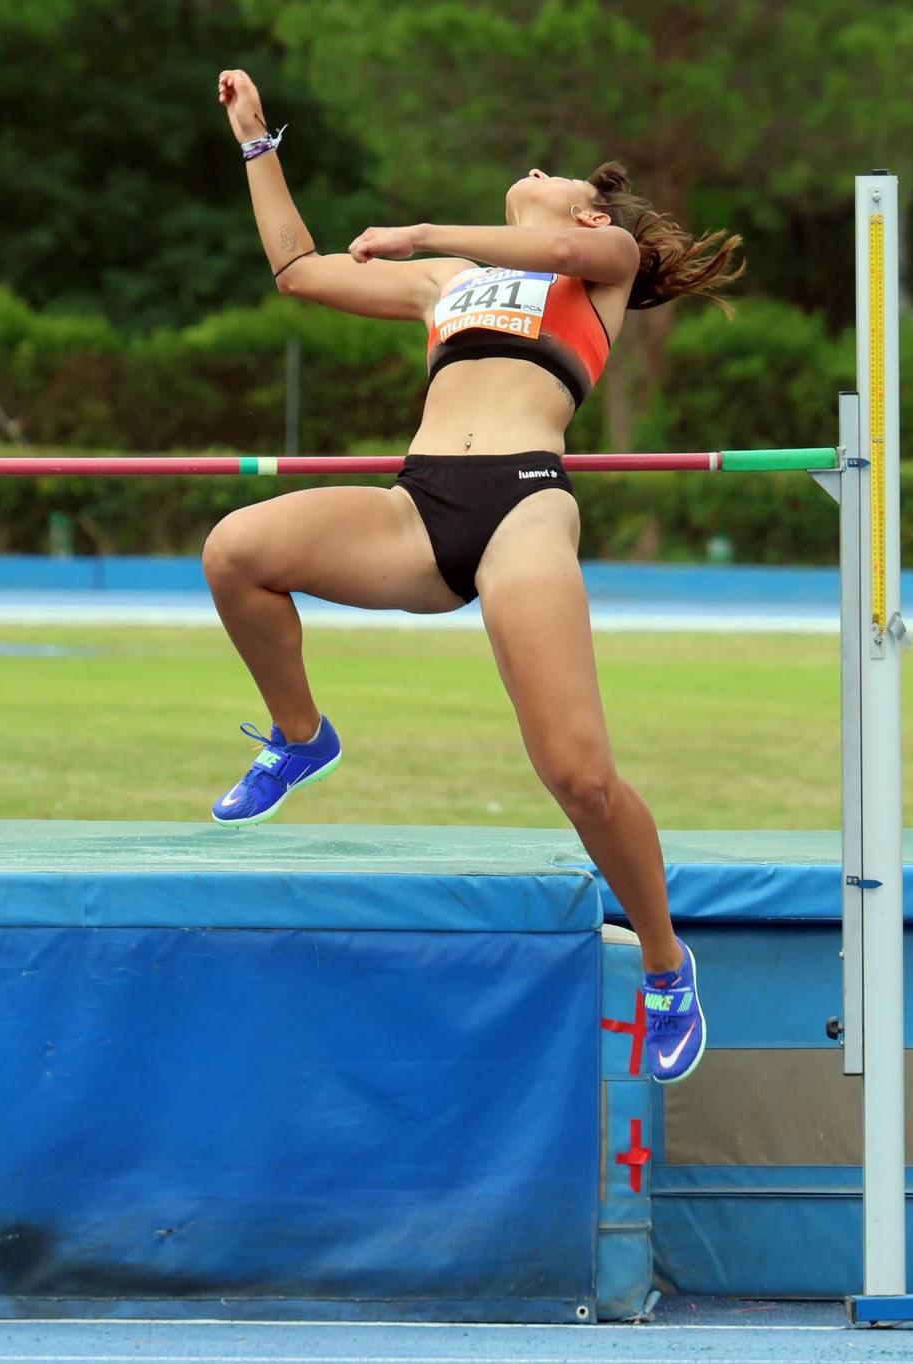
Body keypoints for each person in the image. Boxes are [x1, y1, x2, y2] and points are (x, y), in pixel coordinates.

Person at [203, 70, 743, 1084]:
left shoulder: (601, 261)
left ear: (585, 208)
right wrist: (254, 146)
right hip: (418, 507)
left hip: (523, 507)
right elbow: (296, 270)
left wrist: (417, 235)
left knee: (578, 775)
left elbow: (555, 250)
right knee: (234, 551)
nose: (530, 170)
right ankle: (301, 736)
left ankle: (667, 965)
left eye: (553, 175)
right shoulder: (443, 282)